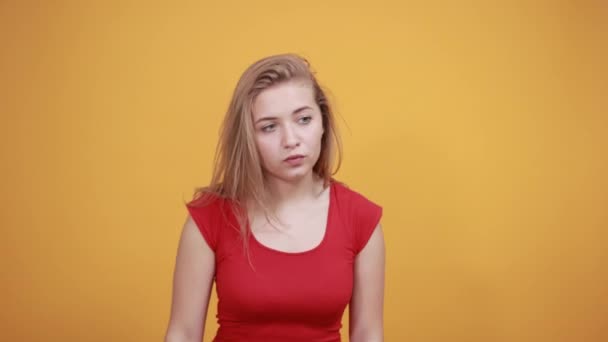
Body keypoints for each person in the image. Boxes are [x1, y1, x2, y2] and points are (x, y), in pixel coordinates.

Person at [164, 53, 385, 342]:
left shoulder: (361, 219)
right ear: (248, 138)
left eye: (303, 119)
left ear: (322, 123)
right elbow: (183, 333)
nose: (291, 140)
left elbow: (368, 333)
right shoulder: (209, 218)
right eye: (269, 127)